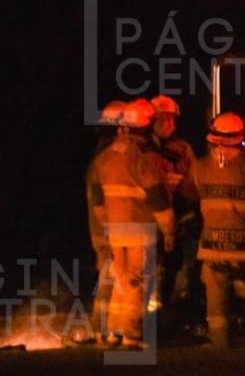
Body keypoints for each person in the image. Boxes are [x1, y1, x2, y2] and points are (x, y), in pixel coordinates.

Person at [86, 98, 177, 349]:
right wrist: (170, 230)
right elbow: (158, 200)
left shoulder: (105, 157)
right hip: (140, 230)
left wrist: (108, 224)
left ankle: (114, 332)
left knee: (121, 282)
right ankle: (131, 336)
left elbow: (98, 201)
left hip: (116, 231)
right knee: (138, 283)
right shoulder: (144, 158)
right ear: (147, 126)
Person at [191, 112, 245, 349]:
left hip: (211, 251)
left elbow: (186, 198)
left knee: (216, 304)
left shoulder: (199, 167)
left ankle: (220, 346)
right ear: (240, 138)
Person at [147, 94, 201, 335]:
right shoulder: (144, 152)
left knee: (183, 273)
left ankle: (174, 321)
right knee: (152, 277)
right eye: (162, 119)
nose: (168, 123)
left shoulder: (183, 149)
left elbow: (193, 184)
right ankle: (151, 326)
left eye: (171, 119)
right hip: (152, 225)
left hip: (182, 221)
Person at [83, 99, 126, 346]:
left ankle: (107, 329)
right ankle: (103, 329)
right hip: (110, 232)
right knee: (111, 281)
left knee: (110, 279)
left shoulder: (99, 158)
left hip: (104, 231)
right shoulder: (108, 160)